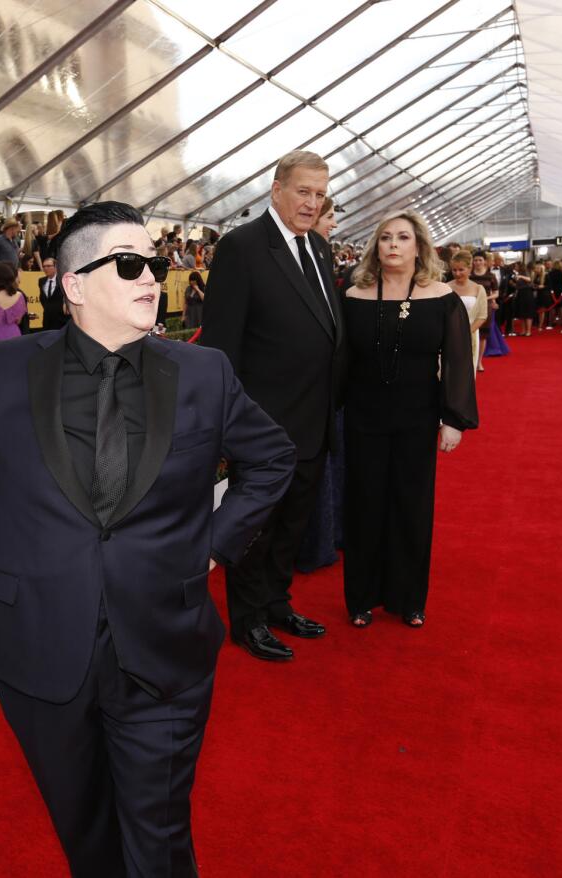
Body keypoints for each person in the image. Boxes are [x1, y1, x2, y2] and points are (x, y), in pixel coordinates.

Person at [0, 200, 294, 877]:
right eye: (130, 264)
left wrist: (213, 543)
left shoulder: (203, 374)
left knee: (158, 839)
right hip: (40, 651)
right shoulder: (8, 372)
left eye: (155, 262)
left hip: (164, 648)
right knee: (85, 835)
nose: (152, 276)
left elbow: (272, 458)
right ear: (75, 285)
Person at [200, 149, 343, 661]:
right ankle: (248, 619)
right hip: (262, 425)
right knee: (256, 529)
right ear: (276, 189)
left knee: (292, 526)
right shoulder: (242, 248)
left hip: (314, 419)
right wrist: (231, 426)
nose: (312, 203)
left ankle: (277, 602)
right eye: (303, 191)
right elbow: (220, 346)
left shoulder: (319, 249)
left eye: (320, 194)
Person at [341, 212, 478, 629]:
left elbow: (457, 361)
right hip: (363, 417)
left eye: (403, 237)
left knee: (412, 508)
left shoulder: (442, 298)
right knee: (364, 507)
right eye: (385, 238)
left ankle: (409, 599)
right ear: (375, 247)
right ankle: (361, 598)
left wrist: (452, 418)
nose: (393, 245)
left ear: (419, 245)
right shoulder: (353, 296)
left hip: (418, 418)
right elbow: (339, 362)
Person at [447, 250, 486, 372]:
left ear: (469, 268)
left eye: (461, 270)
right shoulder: (445, 287)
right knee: (448, 371)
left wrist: (466, 333)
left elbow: (482, 316)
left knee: (467, 371)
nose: (457, 273)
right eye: (454, 270)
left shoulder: (478, 289)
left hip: (470, 335)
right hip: (448, 335)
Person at [38, 255, 68, 330]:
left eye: (48, 266)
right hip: (47, 319)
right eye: (44, 266)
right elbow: (42, 298)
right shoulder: (41, 281)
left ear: (56, 267)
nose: (45, 268)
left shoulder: (62, 280)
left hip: (61, 320)